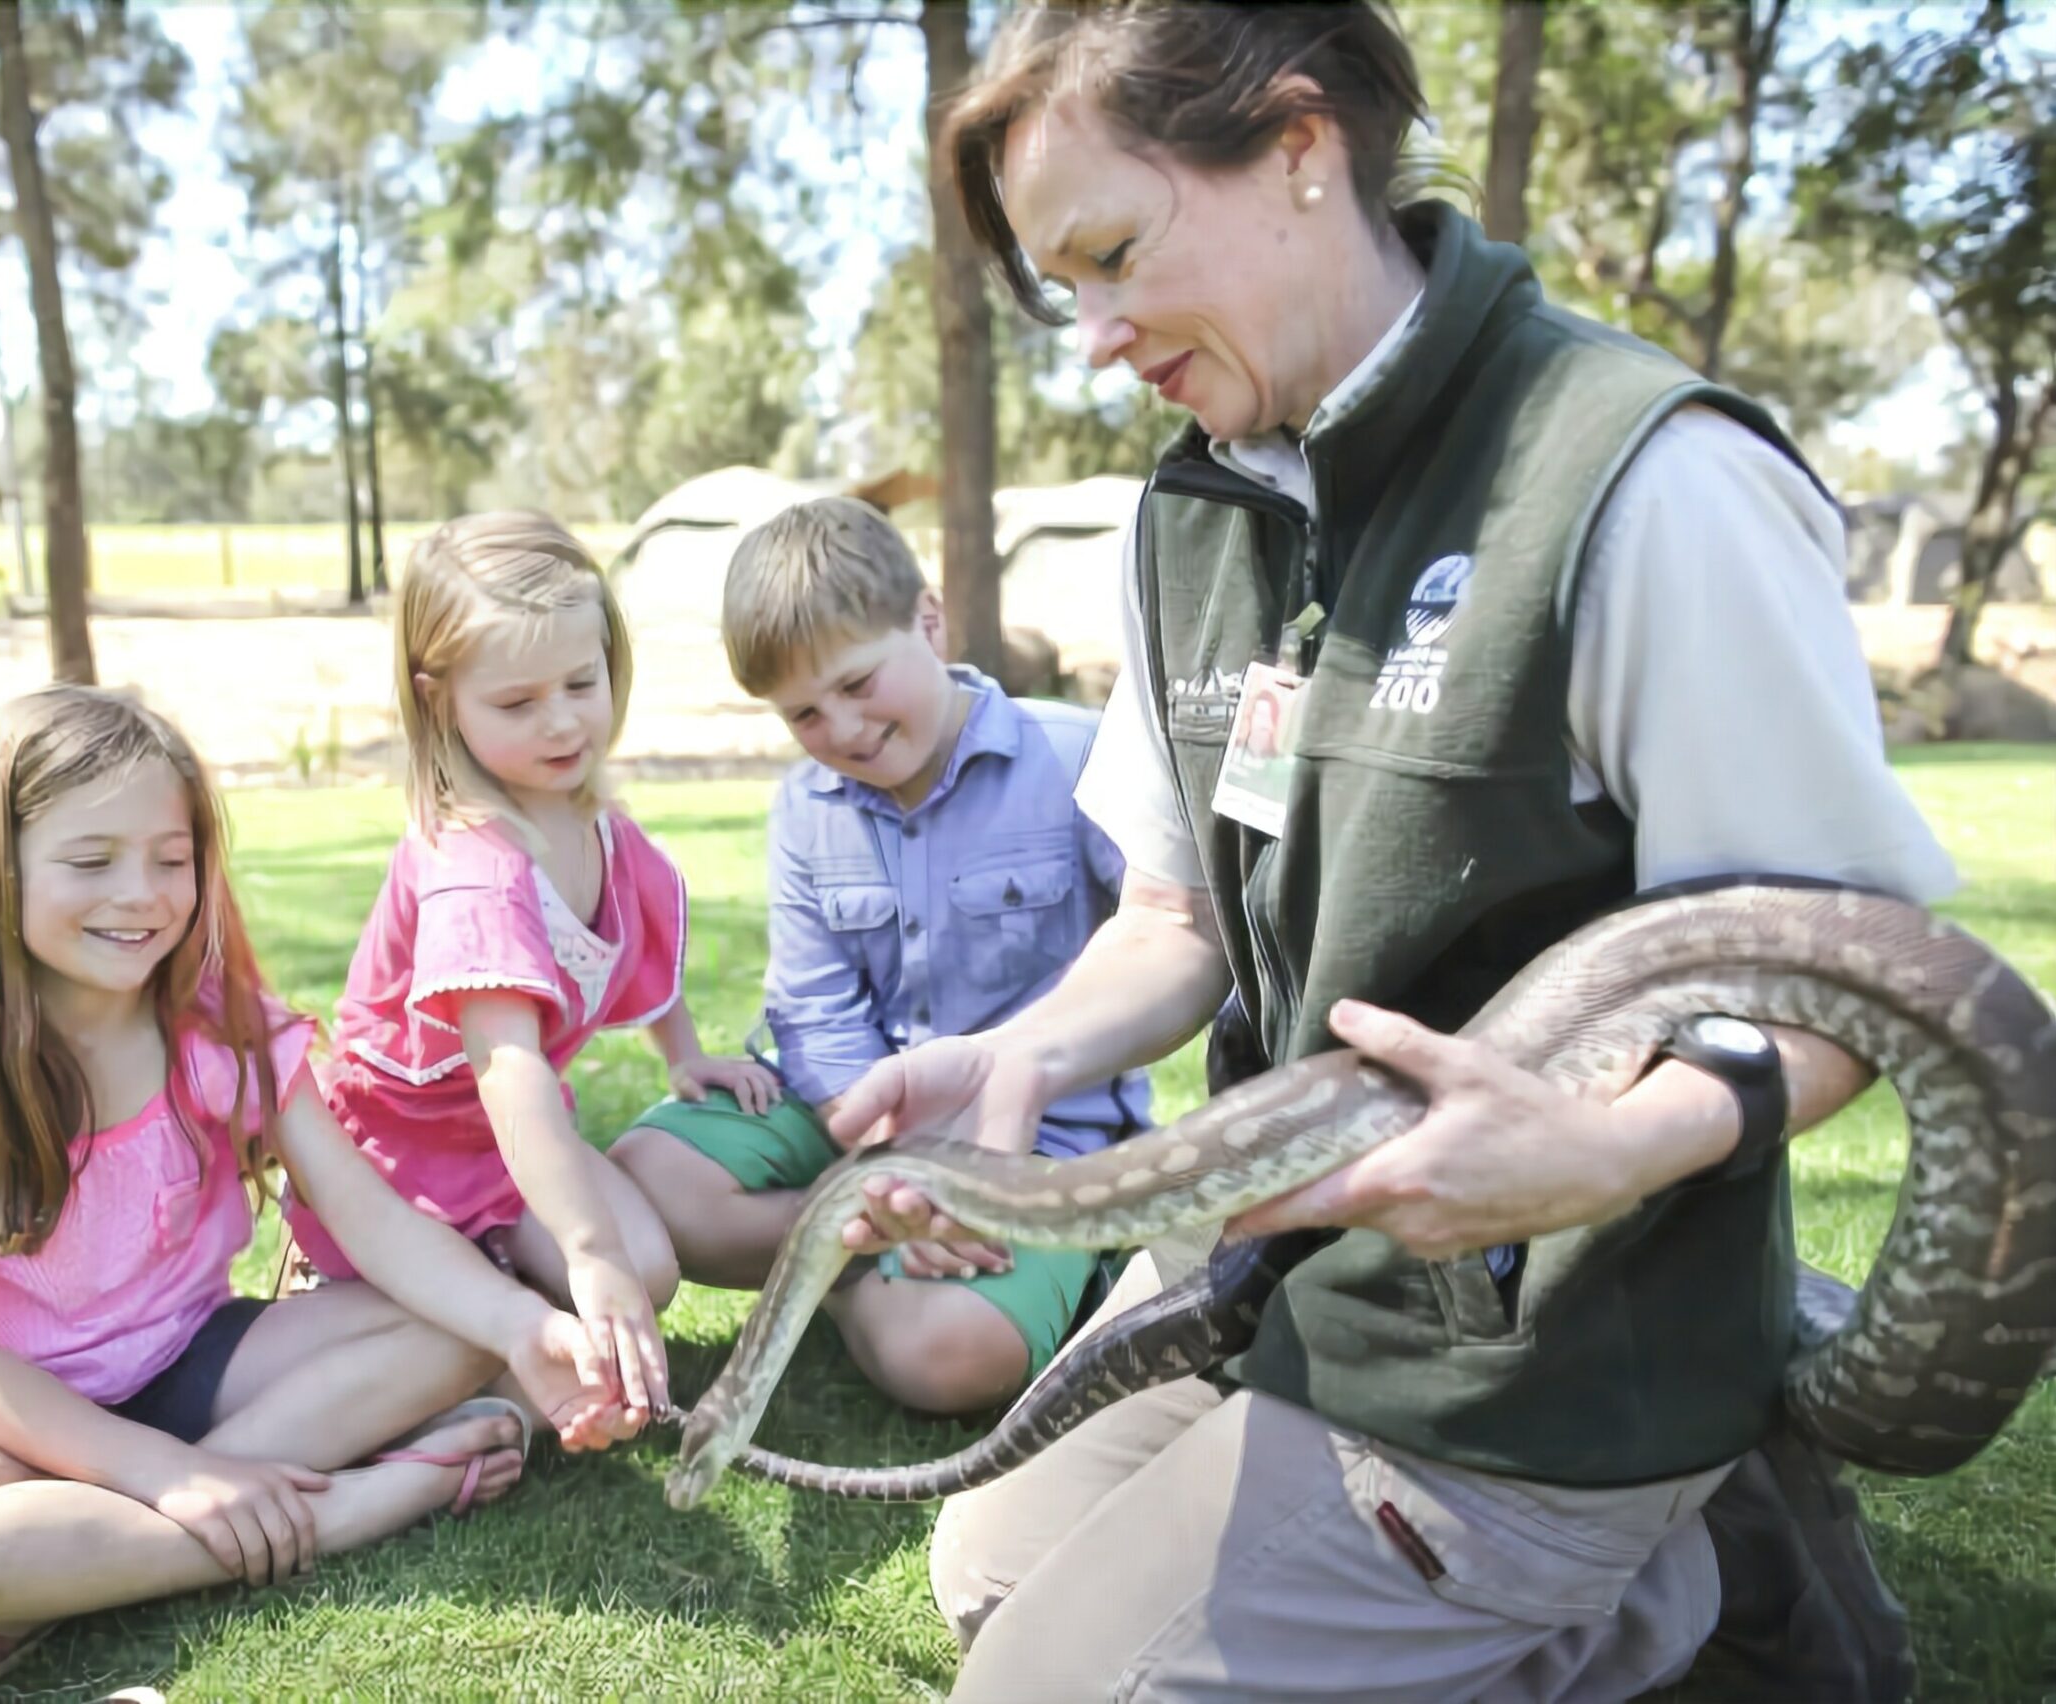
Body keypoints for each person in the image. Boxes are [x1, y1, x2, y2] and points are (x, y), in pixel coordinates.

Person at [819, 5, 1959, 1699]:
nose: (1098, 333)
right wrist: (1022, 1046)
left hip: (1546, 1344)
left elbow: (1857, 968)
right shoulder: (1187, 511)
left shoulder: (1643, 479)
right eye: (1068, 287)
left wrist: (1613, 1146)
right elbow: (1172, 908)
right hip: (1285, 1274)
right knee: (985, 1572)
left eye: (1117, 254)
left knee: (1045, 1689)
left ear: (1298, 147)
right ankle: (1668, 1587)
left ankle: (1670, 1535)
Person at [0, 687, 626, 1703]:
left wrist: (525, 1326)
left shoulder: (223, 1030)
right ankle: (344, 1508)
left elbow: (372, 1220)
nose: (139, 894)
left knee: (456, 1327)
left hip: (185, 1363)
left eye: (170, 860)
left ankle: (50, 1578)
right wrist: (168, 1476)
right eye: (90, 862)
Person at [610, 497, 1150, 1415]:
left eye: (859, 685)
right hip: (843, 1116)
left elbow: (1164, 947)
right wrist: (886, 1165)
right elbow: (816, 1013)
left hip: (1034, 1138)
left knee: (949, 1358)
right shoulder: (806, 808)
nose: (845, 731)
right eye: (805, 714)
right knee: (641, 1183)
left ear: (928, 621)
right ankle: (873, 1245)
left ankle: (866, 1266)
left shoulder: (1078, 757)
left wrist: (964, 1163)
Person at [281, 512, 778, 1431]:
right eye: (517, 704)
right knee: (600, 1297)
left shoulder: (590, 822)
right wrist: (587, 1250)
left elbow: (635, 931)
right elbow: (507, 1066)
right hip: (404, 1156)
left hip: (508, 1147)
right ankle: (423, 1332)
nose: (561, 721)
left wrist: (682, 1053)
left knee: (653, 1274)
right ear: (441, 703)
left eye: (581, 683)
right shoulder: (475, 863)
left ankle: (495, 1297)